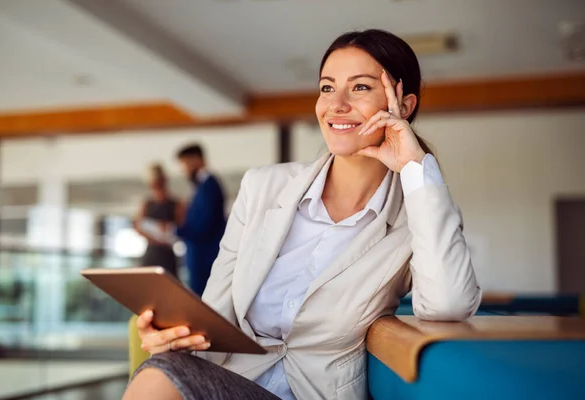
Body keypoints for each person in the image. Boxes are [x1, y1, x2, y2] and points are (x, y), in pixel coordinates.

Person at [124, 29, 482, 400]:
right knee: (163, 368)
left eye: (360, 88)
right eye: (327, 88)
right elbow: (216, 313)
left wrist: (415, 168)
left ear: (403, 106)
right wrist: (175, 340)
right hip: (228, 385)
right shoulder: (262, 187)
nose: (337, 104)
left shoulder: (418, 216)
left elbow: (449, 305)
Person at [174, 144, 227, 296]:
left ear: (196, 160)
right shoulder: (201, 186)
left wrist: (176, 230)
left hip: (205, 257)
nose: (183, 170)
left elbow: (204, 223)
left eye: (184, 165)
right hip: (199, 256)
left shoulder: (209, 185)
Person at [134, 164, 182, 278]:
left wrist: (169, 228)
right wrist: (155, 237)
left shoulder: (176, 204)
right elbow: (137, 227)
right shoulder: (146, 204)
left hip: (167, 254)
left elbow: (181, 228)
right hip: (151, 253)